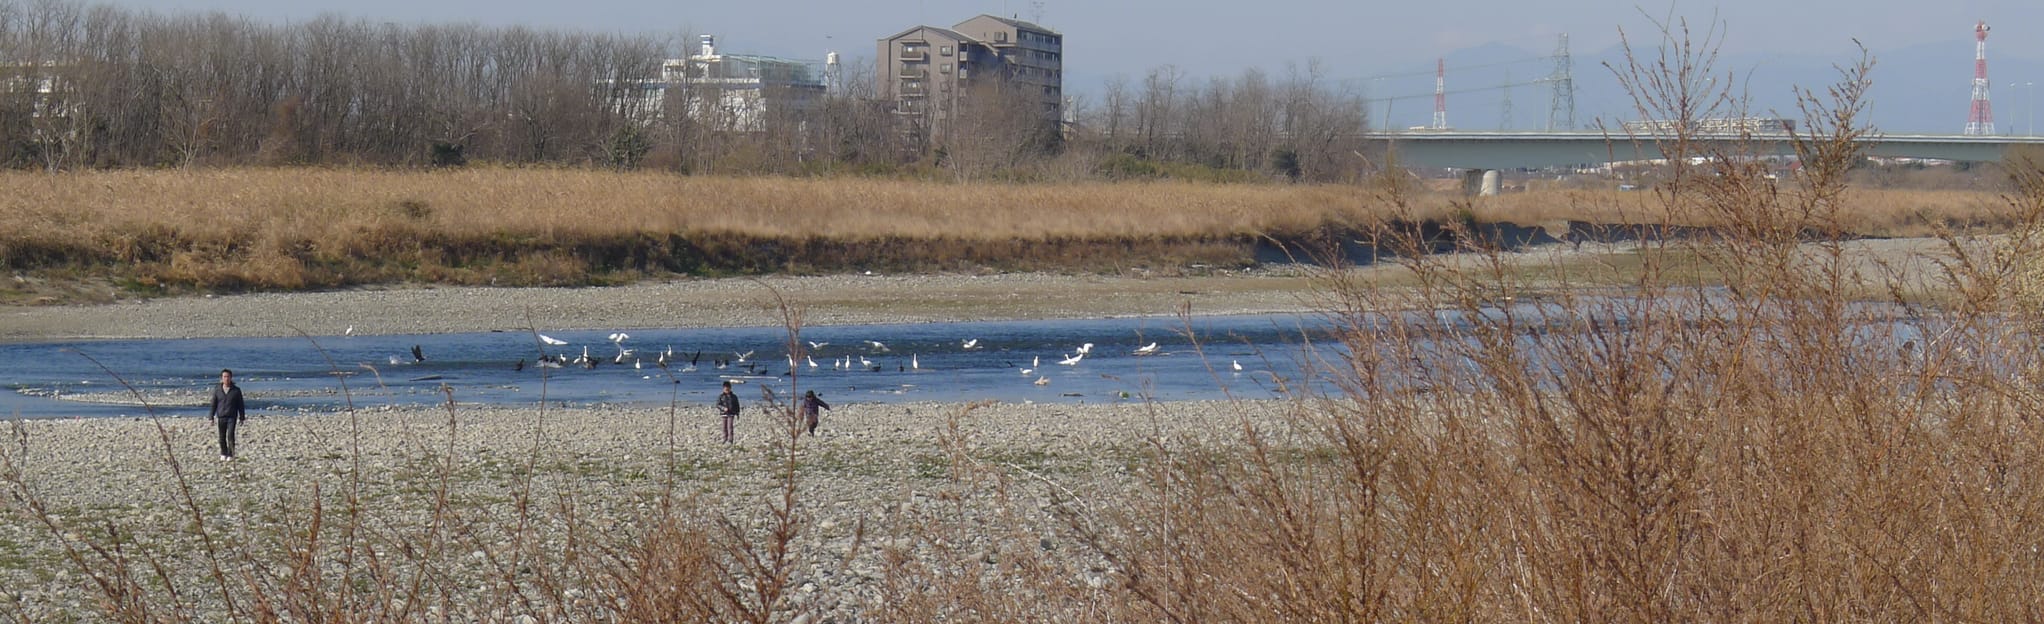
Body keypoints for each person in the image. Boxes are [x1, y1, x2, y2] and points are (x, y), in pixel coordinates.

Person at [209, 369, 246, 460]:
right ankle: (223, 453)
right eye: (224, 377)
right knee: (221, 436)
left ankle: (231, 454)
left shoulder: (236, 390)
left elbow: (240, 404)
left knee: (230, 435)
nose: (226, 379)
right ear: (221, 378)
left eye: (228, 377)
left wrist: (242, 417)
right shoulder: (217, 389)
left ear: (231, 378)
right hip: (221, 416)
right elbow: (214, 403)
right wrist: (211, 417)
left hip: (232, 416)